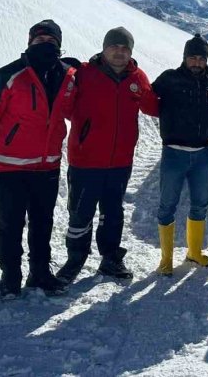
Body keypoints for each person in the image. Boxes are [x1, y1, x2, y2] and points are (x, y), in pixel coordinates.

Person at [0, 20, 76, 299]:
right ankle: (10, 276)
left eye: (50, 41)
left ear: (58, 45)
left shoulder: (66, 77)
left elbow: (79, 105)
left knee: (43, 224)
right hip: (10, 167)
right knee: (10, 225)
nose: (45, 45)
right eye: (39, 40)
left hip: (47, 166)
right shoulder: (6, 76)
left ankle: (39, 273)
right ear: (29, 43)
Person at [55, 27, 158, 283]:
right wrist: (86, 130)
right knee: (80, 213)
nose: (119, 52)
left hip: (120, 162)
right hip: (85, 160)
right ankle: (75, 259)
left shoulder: (138, 77)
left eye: (125, 48)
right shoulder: (83, 75)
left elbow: (153, 107)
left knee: (113, 213)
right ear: (104, 48)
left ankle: (110, 258)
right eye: (114, 46)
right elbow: (64, 108)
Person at [151, 33, 208, 275]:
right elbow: (148, 100)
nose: (197, 62)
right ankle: (166, 259)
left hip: (202, 154)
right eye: (193, 57)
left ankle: (194, 252)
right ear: (184, 58)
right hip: (174, 153)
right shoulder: (169, 79)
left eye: (201, 58)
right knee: (167, 205)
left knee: (200, 205)